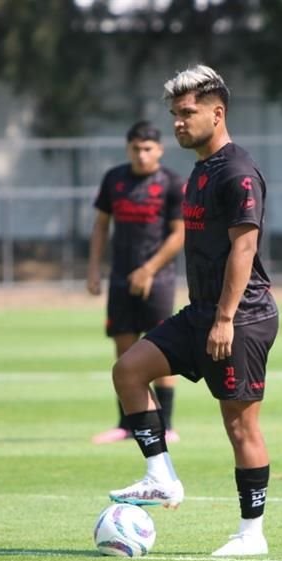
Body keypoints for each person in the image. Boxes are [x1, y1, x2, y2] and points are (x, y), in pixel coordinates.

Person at [108, 64, 279, 557]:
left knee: (240, 426)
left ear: (217, 113)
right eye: (174, 114)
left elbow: (244, 252)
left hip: (241, 316)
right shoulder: (199, 172)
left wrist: (225, 318)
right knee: (128, 370)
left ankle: (252, 535)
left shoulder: (238, 172)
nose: (178, 122)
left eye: (187, 113)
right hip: (200, 311)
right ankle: (161, 477)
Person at [87, 121, 185, 444]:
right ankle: (128, 425)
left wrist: (149, 269)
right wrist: (93, 269)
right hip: (119, 278)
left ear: (159, 149)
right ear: (127, 148)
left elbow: (179, 233)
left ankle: (167, 425)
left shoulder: (171, 182)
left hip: (158, 280)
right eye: (136, 149)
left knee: (161, 352)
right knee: (124, 352)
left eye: (147, 149)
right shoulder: (114, 179)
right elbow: (101, 226)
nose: (141, 155)